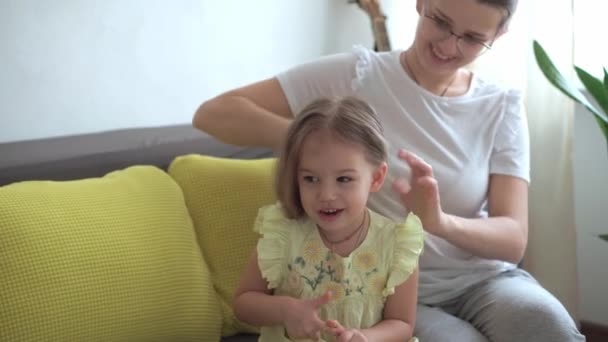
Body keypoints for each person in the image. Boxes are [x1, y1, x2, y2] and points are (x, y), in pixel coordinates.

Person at [195, 0, 585, 341]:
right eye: (441, 22)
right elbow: (212, 114)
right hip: (386, 290)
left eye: (471, 37)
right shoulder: (357, 74)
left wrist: (440, 222)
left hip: (486, 282)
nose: (449, 45)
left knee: (548, 326)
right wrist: (324, 148)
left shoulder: (501, 105)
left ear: (498, 36)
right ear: (420, 2)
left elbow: (513, 239)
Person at [233, 96, 425, 342]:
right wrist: (285, 309)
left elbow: (402, 323)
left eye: (344, 179)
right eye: (311, 179)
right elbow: (243, 303)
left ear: (376, 178)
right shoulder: (282, 235)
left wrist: (364, 337)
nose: (326, 195)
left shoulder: (398, 244)